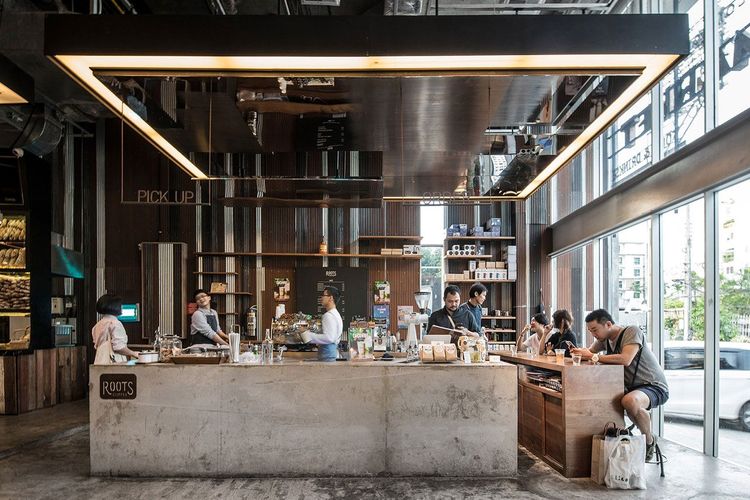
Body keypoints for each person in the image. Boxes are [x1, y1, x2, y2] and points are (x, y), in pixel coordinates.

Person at [571, 308, 669, 461]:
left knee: (630, 401)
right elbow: (590, 353)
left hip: (653, 385)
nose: (593, 334)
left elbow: (625, 359)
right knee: (605, 400)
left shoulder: (631, 331)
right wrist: (578, 352)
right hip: (630, 388)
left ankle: (649, 440)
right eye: (590, 331)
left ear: (608, 324)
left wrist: (593, 356)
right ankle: (625, 435)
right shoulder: (604, 340)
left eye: (595, 330)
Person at [91, 293, 140, 364]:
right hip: (112, 363)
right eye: (120, 305)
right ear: (114, 306)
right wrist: (134, 353)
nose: (121, 307)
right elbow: (119, 348)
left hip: (99, 362)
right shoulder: (115, 323)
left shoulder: (97, 325)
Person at [301, 286, 343, 362]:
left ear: (331, 298)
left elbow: (329, 338)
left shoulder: (328, 316)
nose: (321, 298)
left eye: (324, 295)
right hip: (330, 353)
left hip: (327, 355)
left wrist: (308, 335)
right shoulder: (336, 314)